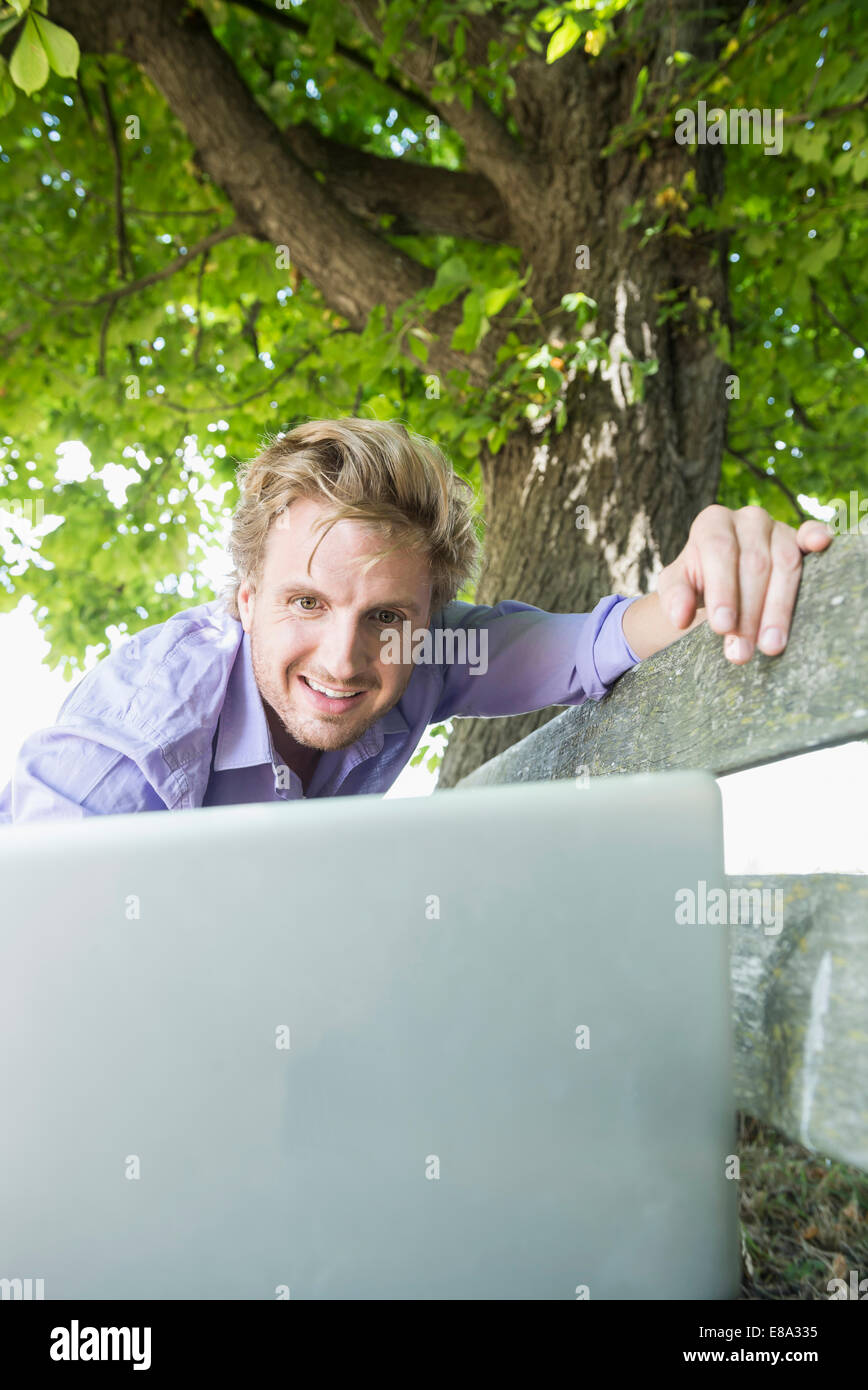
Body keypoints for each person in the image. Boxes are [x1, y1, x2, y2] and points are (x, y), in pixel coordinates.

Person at [0, 416, 833, 821]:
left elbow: (596, 646)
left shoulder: (429, 655)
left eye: (387, 615)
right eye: (306, 602)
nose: (343, 659)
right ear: (245, 599)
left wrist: (711, 570)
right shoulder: (128, 753)